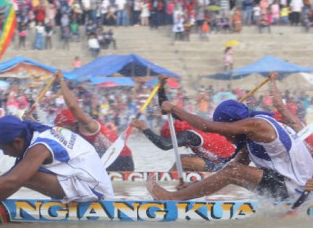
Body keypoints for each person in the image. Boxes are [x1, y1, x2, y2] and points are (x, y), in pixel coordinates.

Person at [0, 115, 114, 224]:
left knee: (23, 176)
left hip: (94, 191)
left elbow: (14, 181)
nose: (5, 153)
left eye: (4, 149)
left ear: (17, 142)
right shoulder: (31, 129)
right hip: (83, 179)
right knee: (18, 171)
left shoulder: (39, 148)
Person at [147, 100, 313, 202]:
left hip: (301, 189)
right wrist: (194, 187)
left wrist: (175, 109)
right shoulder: (250, 137)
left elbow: (207, 127)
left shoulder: (258, 125)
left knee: (234, 171)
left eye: (224, 130)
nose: (224, 136)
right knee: (234, 170)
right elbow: (231, 175)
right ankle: (180, 196)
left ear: (234, 124)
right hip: (289, 187)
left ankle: (170, 198)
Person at [54, 76, 134, 171]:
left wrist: (62, 83)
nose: (63, 132)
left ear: (71, 124)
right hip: (104, 158)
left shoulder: (87, 126)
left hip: (120, 158)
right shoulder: (74, 133)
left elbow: (72, 106)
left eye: (64, 128)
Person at [132, 117, 235, 172]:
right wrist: (161, 89)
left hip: (227, 165)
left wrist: (144, 128)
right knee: (183, 160)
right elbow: (168, 109)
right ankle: (172, 180)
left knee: (183, 161)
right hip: (217, 161)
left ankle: (167, 184)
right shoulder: (189, 131)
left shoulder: (190, 135)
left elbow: (165, 145)